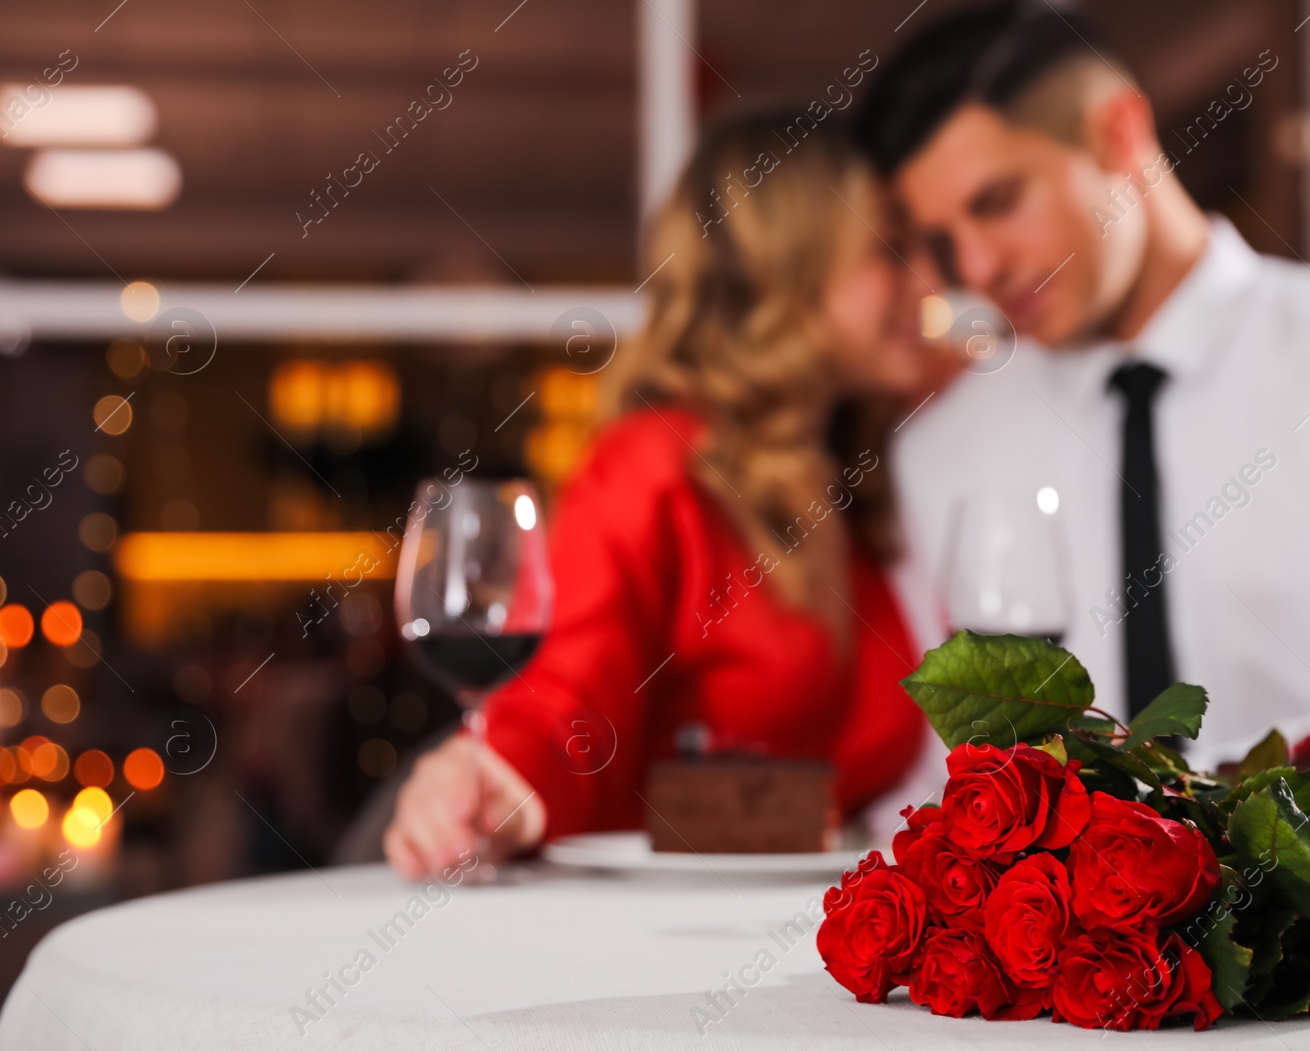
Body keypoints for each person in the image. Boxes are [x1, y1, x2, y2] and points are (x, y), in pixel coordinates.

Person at [856, 0, 1310, 815]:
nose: (976, 267)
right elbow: (936, 766)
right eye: (941, 239)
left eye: (996, 201)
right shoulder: (945, 447)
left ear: (1117, 132)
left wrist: (1204, 816)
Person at [384, 110, 937, 879]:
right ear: (793, 269)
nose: (930, 281)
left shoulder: (851, 476)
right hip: (653, 950)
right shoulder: (654, 463)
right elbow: (568, 691)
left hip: (806, 935)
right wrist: (497, 777)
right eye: (890, 249)